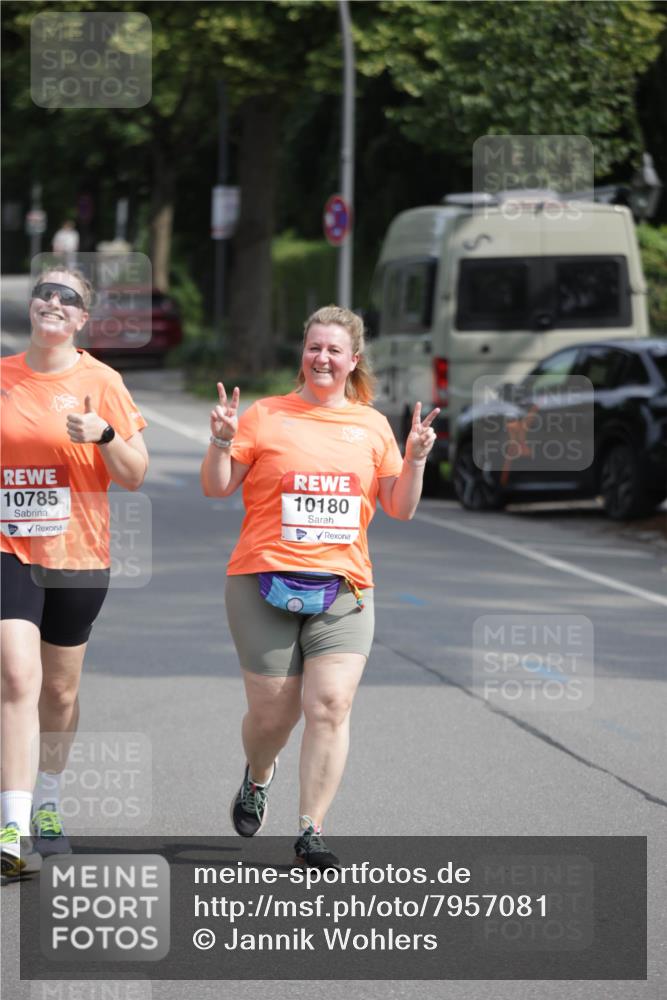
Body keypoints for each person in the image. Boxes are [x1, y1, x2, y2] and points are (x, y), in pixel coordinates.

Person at [200, 305, 438, 869]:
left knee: (329, 705)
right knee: (272, 717)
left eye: (334, 350)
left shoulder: (372, 425)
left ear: (353, 360)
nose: (322, 358)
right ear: (302, 354)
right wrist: (220, 441)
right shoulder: (265, 415)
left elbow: (399, 508)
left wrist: (415, 459)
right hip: (262, 580)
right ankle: (259, 774)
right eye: (314, 347)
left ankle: (312, 829)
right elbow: (217, 488)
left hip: (345, 587)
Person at [0, 267, 148, 877]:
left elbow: (134, 472)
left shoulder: (101, 382)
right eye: (45, 293)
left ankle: (50, 801)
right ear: (31, 306)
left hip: (78, 555)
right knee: (16, 677)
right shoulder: (3, 376)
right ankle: (11, 824)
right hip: (9, 547)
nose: (53, 303)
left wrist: (104, 434)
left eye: (69, 298)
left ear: (83, 319)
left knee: (59, 691)